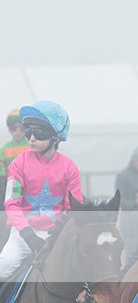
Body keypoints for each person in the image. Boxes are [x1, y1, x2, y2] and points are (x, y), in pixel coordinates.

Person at [0, 100, 82, 280]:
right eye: (29, 133)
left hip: (56, 235)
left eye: (38, 133)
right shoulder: (18, 164)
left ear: (55, 138)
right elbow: (11, 205)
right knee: (3, 266)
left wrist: (58, 235)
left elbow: (73, 209)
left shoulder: (71, 168)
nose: (31, 139)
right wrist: (28, 234)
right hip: (22, 235)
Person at [115, 147, 138, 263]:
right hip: (128, 214)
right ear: (133, 161)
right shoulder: (123, 175)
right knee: (129, 241)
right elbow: (120, 197)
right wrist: (134, 204)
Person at [0, 110, 30, 208]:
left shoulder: (31, 147)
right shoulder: (4, 149)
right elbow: (2, 174)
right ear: (9, 129)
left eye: (22, 128)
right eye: (14, 128)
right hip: (10, 186)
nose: (18, 131)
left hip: (29, 186)